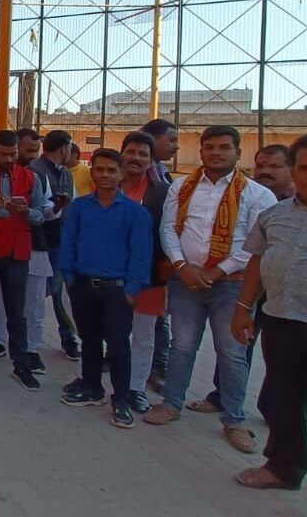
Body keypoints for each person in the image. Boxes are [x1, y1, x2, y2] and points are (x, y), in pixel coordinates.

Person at [232, 133, 307, 515]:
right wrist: (243, 308)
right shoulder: (274, 215)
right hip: (282, 324)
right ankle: (283, 468)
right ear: (293, 172)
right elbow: (257, 260)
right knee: (281, 403)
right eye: (305, 168)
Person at [144, 126, 276, 455]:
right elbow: (168, 229)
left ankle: (234, 420)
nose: (216, 153)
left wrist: (216, 271)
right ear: (201, 151)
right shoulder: (181, 187)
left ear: (238, 153)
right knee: (182, 346)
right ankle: (171, 404)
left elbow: (255, 245)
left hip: (232, 285)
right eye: (210, 147)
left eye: (224, 147)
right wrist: (182, 267)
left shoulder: (258, 195)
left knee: (231, 352)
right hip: (185, 282)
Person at [195, 144, 296, 414]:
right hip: (247, 286)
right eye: (261, 165)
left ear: (292, 168)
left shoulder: (300, 203)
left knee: (282, 352)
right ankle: (222, 397)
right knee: (237, 343)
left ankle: (277, 408)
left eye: (275, 166)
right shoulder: (246, 195)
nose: (265, 171)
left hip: (285, 293)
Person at [58, 148, 153, 429]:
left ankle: (121, 399)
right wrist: (70, 279)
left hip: (118, 289)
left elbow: (141, 254)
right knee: (89, 340)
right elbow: (68, 243)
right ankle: (92, 387)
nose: (105, 175)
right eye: (99, 169)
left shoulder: (136, 213)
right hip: (83, 285)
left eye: (111, 170)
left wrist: (133, 289)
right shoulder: (80, 207)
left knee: (118, 345)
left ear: (121, 174)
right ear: (92, 172)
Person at [0, 130, 46, 391]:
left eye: (13, 154)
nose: (9, 159)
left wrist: (26, 212)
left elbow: (41, 215)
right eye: (3, 154)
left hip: (16, 252)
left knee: (17, 312)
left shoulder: (31, 178)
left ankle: (21, 365)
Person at [116, 131, 171, 415]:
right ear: (122, 154)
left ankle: (135, 388)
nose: (135, 158)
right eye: (131, 152)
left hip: (150, 277)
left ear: (151, 161)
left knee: (144, 335)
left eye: (142, 154)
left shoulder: (163, 193)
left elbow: (169, 234)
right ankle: (106, 385)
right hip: (111, 275)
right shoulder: (107, 185)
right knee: (111, 332)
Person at [21, 130, 80, 366]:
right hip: (40, 243)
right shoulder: (36, 171)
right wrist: (55, 208)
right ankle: (27, 343)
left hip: (61, 241)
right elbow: (38, 210)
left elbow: (73, 204)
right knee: (36, 296)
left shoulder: (65, 173)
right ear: (64, 148)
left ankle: (68, 336)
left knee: (60, 292)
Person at [140, 117, 179, 388]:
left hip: (155, 264)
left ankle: (157, 366)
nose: (176, 146)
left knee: (156, 317)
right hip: (128, 263)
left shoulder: (163, 177)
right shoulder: (129, 179)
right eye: (171, 140)